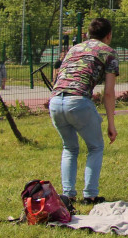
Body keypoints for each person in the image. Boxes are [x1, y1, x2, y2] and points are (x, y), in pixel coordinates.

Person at [48, 17, 119, 204]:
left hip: (55, 101)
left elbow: (59, 75)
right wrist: (111, 124)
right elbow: (109, 92)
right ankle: (90, 194)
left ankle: (68, 194)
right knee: (95, 147)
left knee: (69, 148)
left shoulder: (74, 49)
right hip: (78, 101)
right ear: (108, 35)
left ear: (88, 34)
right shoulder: (108, 52)